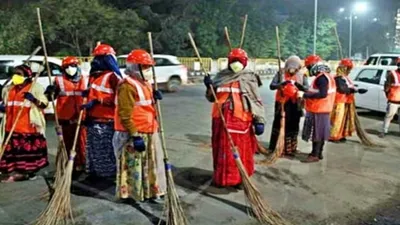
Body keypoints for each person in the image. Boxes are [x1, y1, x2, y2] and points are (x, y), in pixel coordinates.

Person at [204, 48, 265, 188]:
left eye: (239, 61)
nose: (236, 64)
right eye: (233, 61)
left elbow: (255, 100)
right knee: (221, 150)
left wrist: (259, 120)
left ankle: (240, 179)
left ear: (245, 62)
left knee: (242, 152)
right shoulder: (221, 76)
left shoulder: (249, 78)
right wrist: (209, 86)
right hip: (220, 120)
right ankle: (222, 178)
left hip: (241, 121)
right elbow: (211, 98)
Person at [113, 49, 166, 202]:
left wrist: (155, 98)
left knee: (151, 164)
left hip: (149, 129)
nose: (148, 71)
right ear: (135, 67)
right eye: (144, 67)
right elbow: (124, 114)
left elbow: (146, 106)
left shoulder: (146, 83)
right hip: (134, 133)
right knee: (134, 166)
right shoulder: (127, 86)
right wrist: (135, 136)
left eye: (149, 67)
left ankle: (151, 191)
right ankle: (132, 194)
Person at [0, 65, 49, 182]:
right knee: (11, 153)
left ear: (27, 76)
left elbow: (44, 104)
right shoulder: (9, 89)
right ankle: (14, 172)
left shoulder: (35, 88)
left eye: (19, 74)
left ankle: (28, 173)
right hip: (10, 127)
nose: (15, 76)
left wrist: (34, 99)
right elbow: (5, 105)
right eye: (14, 74)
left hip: (27, 128)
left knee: (27, 154)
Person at [82, 44, 121, 178]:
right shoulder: (93, 77)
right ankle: (96, 173)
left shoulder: (113, 77)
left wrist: (99, 101)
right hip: (93, 119)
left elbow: (119, 99)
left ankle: (108, 175)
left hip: (107, 121)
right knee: (94, 150)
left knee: (106, 151)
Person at [45, 56, 88, 172]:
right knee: (67, 144)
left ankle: (82, 164)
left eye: (73, 66)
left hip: (81, 117)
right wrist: (50, 92)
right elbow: (49, 98)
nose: (70, 69)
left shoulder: (85, 79)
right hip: (65, 118)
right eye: (67, 67)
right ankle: (69, 166)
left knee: (82, 143)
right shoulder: (59, 80)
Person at [269, 55, 308, 157]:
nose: (292, 71)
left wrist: (299, 86)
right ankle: (276, 146)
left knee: (293, 125)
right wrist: (281, 84)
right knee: (279, 123)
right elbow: (272, 86)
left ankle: (292, 148)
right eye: (290, 68)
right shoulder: (281, 73)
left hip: (295, 104)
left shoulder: (302, 75)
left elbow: (306, 88)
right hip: (282, 103)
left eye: (295, 69)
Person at [299, 55, 336, 163]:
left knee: (317, 133)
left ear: (313, 66)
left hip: (319, 109)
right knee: (320, 132)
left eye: (308, 67)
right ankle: (318, 153)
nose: (308, 70)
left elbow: (322, 94)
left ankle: (315, 154)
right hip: (324, 109)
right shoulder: (327, 76)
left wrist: (305, 96)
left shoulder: (321, 78)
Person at [329, 58, 367, 143]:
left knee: (344, 119)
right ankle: (333, 136)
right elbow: (342, 89)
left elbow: (348, 87)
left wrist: (356, 90)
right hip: (339, 102)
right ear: (344, 68)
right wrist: (355, 90)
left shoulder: (345, 77)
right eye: (349, 69)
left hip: (346, 101)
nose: (350, 71)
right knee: (337, 120)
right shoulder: (338, 78)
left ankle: (341, 135)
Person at [380, 57, 400, 138]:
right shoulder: (392, 74)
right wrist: (388, 96)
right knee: (389, 116)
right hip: (393, 100)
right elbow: (386, 87)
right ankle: (384, 131)